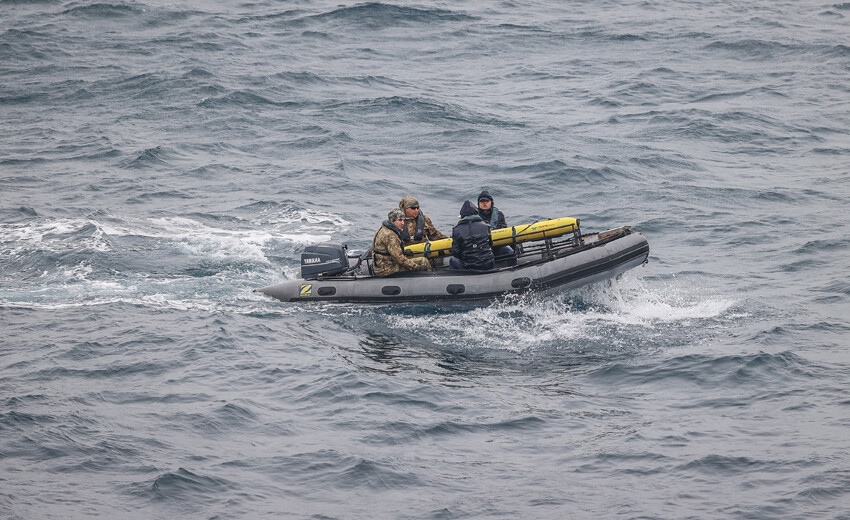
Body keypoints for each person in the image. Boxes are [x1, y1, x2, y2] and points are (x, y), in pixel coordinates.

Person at [372, 209, 431, 277]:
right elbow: (399, 259)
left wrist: (403, 251)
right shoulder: (391, 235)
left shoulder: (382, 229)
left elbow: (389, 250)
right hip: (388, 269)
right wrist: (416, 267)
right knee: (423, 261)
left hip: (380, 266)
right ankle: (430, 279)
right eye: (400, 220)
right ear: (392, 220)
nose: (403, 223)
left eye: (403, 220)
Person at [449, 200, 495, 271]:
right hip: (488, 264)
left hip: (469, 267)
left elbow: (455, 252)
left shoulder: (457, 230)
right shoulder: (486, 226)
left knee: (453, 260)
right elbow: (490, 245)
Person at [477, 190, 516, 265]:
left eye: (487, 201)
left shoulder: (499, 215)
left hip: (497, 246)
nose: (484, 203)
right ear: (478, 203)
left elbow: (504, 230)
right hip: (481, 249)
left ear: (491, 202)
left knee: (510, 252)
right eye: (482, 201)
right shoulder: (475, 216)